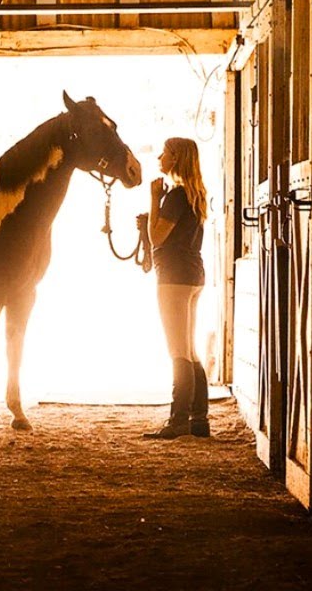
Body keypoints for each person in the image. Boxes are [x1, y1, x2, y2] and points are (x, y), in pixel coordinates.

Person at [138, 137, 210, 439]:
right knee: (190, 349)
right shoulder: (195, 195)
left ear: (176, 159)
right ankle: (199, 419)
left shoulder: (176, 197)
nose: (159, 156)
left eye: (165, 153)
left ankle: (178, 419)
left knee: (177, 350)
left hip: (173, 276)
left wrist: (154, 199)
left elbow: (157, 238)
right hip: (193, 274)